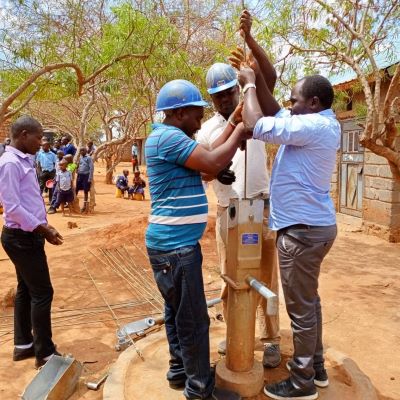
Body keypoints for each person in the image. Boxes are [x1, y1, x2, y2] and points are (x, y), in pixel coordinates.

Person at [239, 63, 340, 399]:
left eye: (295, 99)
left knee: (301, 310)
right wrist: (252, 48)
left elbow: (255, 123)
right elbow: (275, 109)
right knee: (309, 304)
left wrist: (250, 84)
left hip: (301, 233)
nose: (289, 104)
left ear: (312, 103)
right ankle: (318, 367)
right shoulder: (316, 123)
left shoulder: (312, 126)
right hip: (312, 227)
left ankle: (302, 383)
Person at [145, 79, 248, 400]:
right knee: (193, 319)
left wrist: (232, 125)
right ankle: (200, 389)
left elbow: (208, 163)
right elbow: (214, 161)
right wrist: (240, 131)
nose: (201, 120)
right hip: (176, 248)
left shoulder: (170, 137)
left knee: (176, 313)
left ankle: (180, 370)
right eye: (196, 114)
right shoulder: (169, 139)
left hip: (170, 246)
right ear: (177, 113)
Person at [196, 10, 281, 368]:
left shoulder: (254, 109)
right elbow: (201, 168)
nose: (224, 100)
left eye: (228, 92)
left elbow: (270, 76)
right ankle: (234, 334)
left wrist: (249, 39)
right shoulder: (205, 130)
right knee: (230, 275)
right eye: (217, 97)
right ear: (211, 99)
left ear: (236, 87)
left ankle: (271, 338)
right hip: (229, 212)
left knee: (265, 273)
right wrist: (216, 175)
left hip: (261, 207)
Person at [0, 115, 63, 369]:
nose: (42, 142)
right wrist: (43, 228)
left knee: (26, 289)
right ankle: (45, 353)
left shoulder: (22, 160)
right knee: (42, 292)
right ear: (23, 135)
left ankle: (23, 345)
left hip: (27, 236)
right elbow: (12, 208)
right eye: (38, 137)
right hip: (22, 238)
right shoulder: (10, 164)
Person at [76, 147, 94, 213]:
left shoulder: (88, 158)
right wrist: (76, 169)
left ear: (86, 151)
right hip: (80, 175)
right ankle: (74, 204)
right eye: (80, 151)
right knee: (76, 189)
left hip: (86, 176)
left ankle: (84, 206)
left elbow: (91, 168)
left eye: (83, 150)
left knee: (86, 191)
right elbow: (77, 165)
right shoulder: (80, 158)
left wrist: (90, 178)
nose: (81, 152)